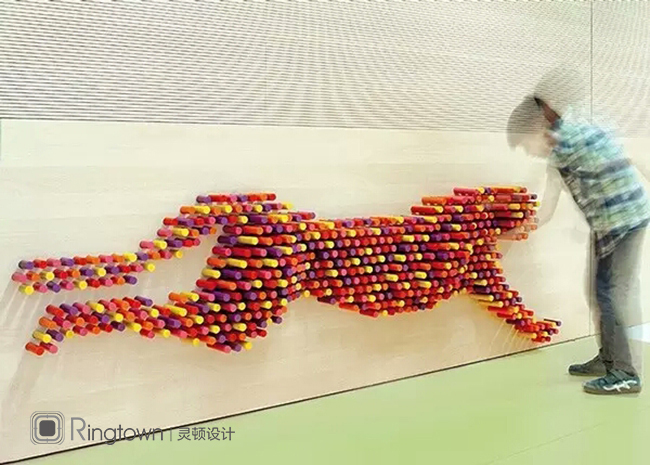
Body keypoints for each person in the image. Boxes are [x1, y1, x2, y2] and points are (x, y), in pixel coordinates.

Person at [509, 68, 650, 395]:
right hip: (609, 226)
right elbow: (546, 210)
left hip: (624, 222)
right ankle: (609, 358)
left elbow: (624, 158)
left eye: (527, 145)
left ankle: (625, 374)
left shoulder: (572, 141)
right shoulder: (561, 154)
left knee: (611, 294)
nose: (530, 152)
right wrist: (521, 226)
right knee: (598, 291)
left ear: (539, 129)